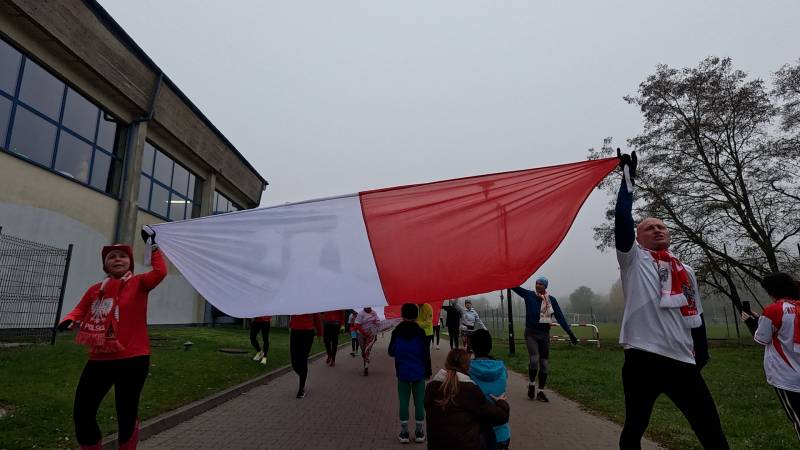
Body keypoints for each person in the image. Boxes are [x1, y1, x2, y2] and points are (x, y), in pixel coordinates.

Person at [614, 150, 728, 449]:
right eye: (649, 227)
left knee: (711, 430)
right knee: (635, 427)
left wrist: (701, 354)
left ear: (669, 234)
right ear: (639, 238)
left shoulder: (685, 270)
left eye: (661, 226)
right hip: (642, 358)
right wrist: (627, 180)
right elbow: (623, 220)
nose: (657, 230)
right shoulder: (633, 260)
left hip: (681, 360)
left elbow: (697, 315)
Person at [57, 227, 166, 450]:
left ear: (130, 263)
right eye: (111, 257)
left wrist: (153, 247)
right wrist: (68, 320)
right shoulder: (95, 290)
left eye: (122, 256)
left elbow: (160, 272)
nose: (117, 259)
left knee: (126, 412)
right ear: (105, 265)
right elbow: (79, 310)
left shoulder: (140, 284)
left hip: (133, 358)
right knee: (82, 412)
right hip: (100, 359)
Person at [741, 272, 800, 441]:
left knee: (797, 419)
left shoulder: (773, 310)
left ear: (772, 291)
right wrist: (761, 319)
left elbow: (762, 339)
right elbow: (784, 330)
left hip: (786, 377)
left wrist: (751, 322)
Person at [425, 349, 510, 450]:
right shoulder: (470, 389)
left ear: (446, 363)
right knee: (488, 427)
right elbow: (500, 417)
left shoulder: (431, 387)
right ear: (468, 367)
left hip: (436, 445)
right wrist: (501, 402)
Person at [511, 276, 577, 402]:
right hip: (531, 333)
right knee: (534, 359)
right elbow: (514, 287)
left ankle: (540, 391)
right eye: (536, 283)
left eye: (541, 284)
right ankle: (531, 384)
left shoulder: (551, 300)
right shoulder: (529, 295)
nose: (537, 285)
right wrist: (507, 277)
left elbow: (560, 317)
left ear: (545, 286)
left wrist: (570, 333)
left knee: (545, 364)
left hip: (544, 334)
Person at [389, 303, 432, 444]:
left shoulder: (396, 332)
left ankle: (404, 432)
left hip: (403, 373)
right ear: (416, 315)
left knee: (403, 402)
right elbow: (426, 354)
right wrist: (428, 371)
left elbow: (391, 351)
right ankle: (419, 433)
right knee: (419, 402)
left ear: (402, 315)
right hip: (419, 372)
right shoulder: (421, 332)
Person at [468, 329, 511, 450]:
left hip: (477, 434)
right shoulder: (502, 369)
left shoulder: (467, 370)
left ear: (471, 347)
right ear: (490, 346)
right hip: (501, 433)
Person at [288, 313, 323, 399]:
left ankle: (301, 388)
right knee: (294, 362)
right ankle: (303, 376)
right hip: (295, 331)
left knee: (303, 359)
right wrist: (290, 324)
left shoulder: (312, 302)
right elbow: (291, 313)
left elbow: (317, 318)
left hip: (307, 332)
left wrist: (320, 333)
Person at [353, 307, 380, 375]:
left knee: (367, 350)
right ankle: (365, 360)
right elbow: (356, 325)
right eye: (367, 308)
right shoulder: (360, 314)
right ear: (365, 307)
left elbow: (378, 322)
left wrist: (376, 322)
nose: (369, 309)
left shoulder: (374, 312)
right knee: (363, 350)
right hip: (361, 334)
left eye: (370, 307)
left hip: (371, 334)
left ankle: (366, 367)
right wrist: (364, 333)